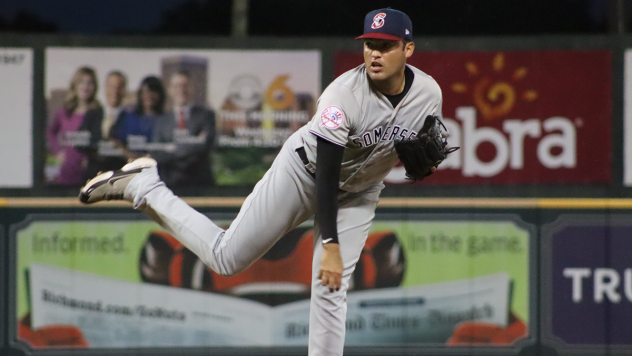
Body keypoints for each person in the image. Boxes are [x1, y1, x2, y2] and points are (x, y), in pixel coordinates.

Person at [80, 8, 447, 355]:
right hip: (304, 174)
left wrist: (422, 166)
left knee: (331, 286)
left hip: (361, 190)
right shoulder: (343, 96)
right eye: (370, 44)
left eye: (386, 45)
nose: (375, 54)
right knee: (226, 259)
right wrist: (331, 244)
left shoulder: (429, 94)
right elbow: (328, 175)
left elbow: (414, 148)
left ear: (408, 49)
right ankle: (145, 186)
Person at [151, 70, 216, 187]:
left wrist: (172, 148)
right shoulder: (161, 120)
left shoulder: (206, 116)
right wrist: (193, 143)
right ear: (170, 90)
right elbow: (157, 151)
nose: (181, 90)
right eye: (177, 86)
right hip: (169, 184)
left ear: (192, 88)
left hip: (200, 183)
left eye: (185, 85)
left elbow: (205, 146)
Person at [47, 66, 100, 185]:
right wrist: (58, 151)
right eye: (82, 82)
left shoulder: (97, 112)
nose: (85, 87)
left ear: (95, 87)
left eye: (90, 83)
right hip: (65, 168)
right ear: (75, 85)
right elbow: (51, 132)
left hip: (87, 170)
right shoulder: (65, 111)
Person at [80, 70, 129, 179]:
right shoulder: (92, 115)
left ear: (125, 90)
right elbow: (80, 142)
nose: (115, 92)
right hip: (93, 176)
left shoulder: (131, 117)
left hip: (119, 177)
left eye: (119, 87)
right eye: (112, 87)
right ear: (105, 88)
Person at [109, 75, 165, 159]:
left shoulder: (166, 119)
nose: (149, 96)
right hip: (128, 164)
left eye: (153, 92)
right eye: (145, 92)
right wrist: (127, 154)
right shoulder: (128, 116)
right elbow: (114, 139)